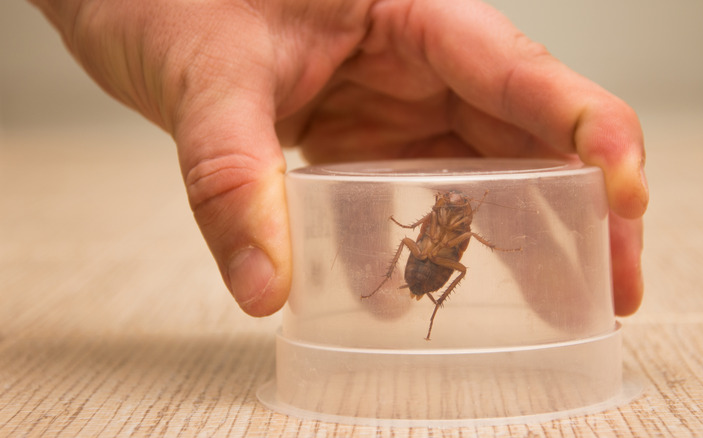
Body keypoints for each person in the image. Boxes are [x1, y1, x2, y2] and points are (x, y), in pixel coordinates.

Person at [29, 0, 648, 317]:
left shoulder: (455, 230)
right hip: (423, 263)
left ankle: (417, 297)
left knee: (442, 256)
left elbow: (454, 247)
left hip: (429, 268)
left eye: (452, 210)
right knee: (431, 251)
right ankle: (409, 288)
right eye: (444, 210)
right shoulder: (440, 225)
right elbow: (433, 238)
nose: (449, 212)